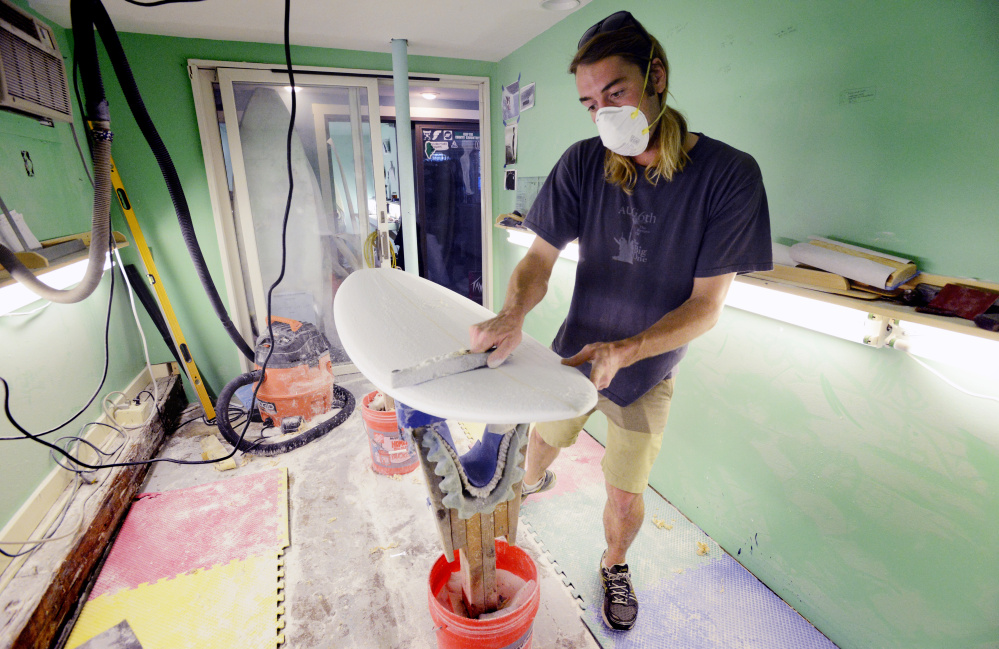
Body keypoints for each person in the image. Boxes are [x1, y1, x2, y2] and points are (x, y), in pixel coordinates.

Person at [470, 10, 772, 631]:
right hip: (576, 355)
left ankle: (613, 565)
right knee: (541, 447)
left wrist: (630, 349)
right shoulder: (584, 163)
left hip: (647, 371)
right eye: (589, 103)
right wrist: (510, 314)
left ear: (656, 76)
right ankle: (526, 488)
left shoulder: (728, 176)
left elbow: (707, 305)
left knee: (624, 493)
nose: (604, 113)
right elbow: (539, 258)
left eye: (617, 92)